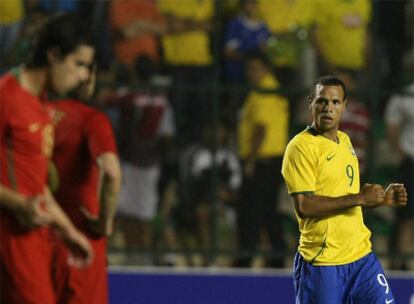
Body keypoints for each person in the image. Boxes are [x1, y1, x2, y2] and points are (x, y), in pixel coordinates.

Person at [281, 75, 408, 303]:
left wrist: (379, 199)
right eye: (321, 101)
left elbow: (344, 194)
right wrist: (359, 197)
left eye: (335, 102)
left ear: (344, 106)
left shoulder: (345, 141)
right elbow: (305, 206)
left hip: (361, 258)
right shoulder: (300, 147)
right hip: (324, 263)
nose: (328, 108)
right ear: (310, 103)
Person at [0, 13, 94, 304]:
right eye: (78, 64)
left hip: (32, 238)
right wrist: (19, 204)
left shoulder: (41, 106)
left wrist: (68, 230)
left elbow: (36, 184)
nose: (83, 77)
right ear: (53, 55)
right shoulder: (6, 96)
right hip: (11, 238)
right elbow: (25, 197)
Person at [49, 65, 122, 303]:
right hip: (80, 244)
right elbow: (111, 172)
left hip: (33, 240)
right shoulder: (91, 120)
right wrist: (104, 223)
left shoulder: (31, 112)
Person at [235, 51, 289, 268]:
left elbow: (261, 129)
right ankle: (275, 257)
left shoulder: (265, 91)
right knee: (267, 210)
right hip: (270, 160)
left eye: (255, 68)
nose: (251, 73)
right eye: (249, 69)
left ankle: (247, 257)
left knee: (253, 210)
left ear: (266, 69)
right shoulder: (266, 89)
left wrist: (250, 160)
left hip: (263, 160)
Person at [384, 81, 414, 270]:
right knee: (407, 217)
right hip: (410, 164)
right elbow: (391, 127)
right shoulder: (405, 95)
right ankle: (400, 265)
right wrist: (403, 153)